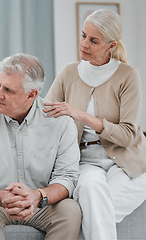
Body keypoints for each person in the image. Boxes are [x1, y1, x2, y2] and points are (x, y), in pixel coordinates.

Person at [44, 9, 146, 240]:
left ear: (111, 46)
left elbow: (128, 135)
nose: (84, 44)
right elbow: (44, 115)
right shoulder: (69, 72)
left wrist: (83, 116)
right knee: (91, 191)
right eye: (83, 36)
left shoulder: (128, 75)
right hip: (86, 161)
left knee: (94, 209)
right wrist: (5, 103)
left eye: (93, 40)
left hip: (127, 160)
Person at [0, 53, 82, 240]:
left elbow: (67, 177)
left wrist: (37, 196)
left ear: (32, 95)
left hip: (41, 205)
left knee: (70, 210)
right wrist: (1, 197)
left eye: (8, 90)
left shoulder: (61, 123)